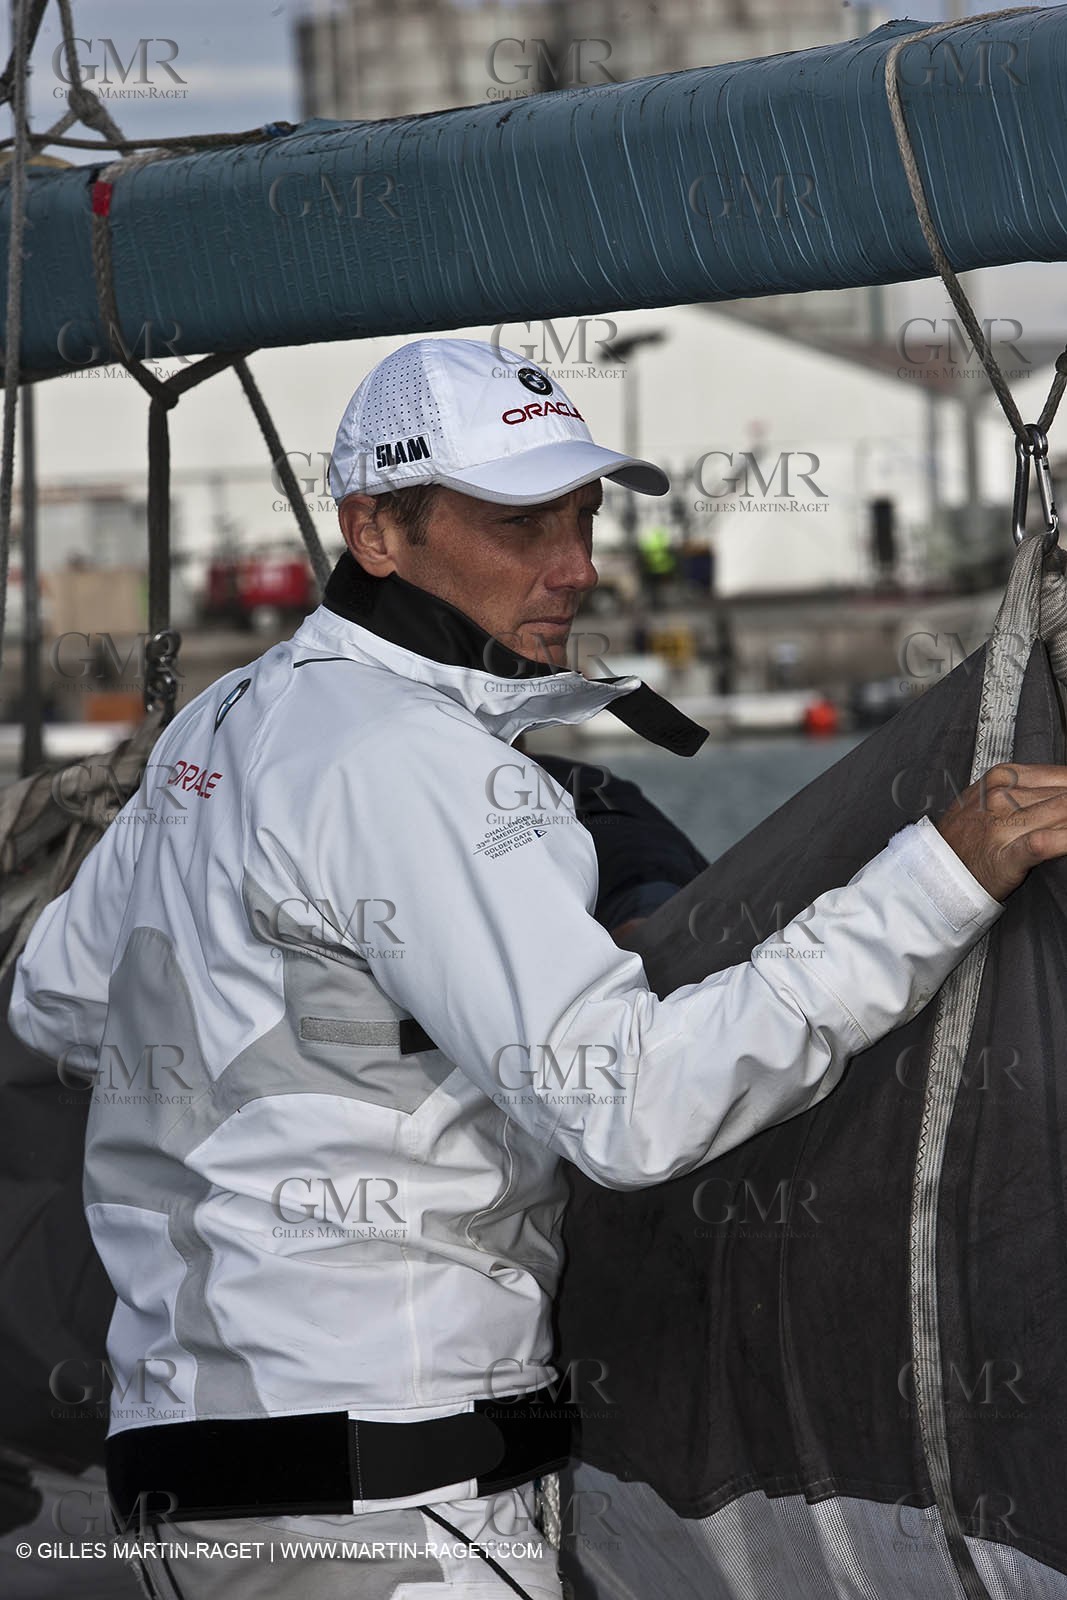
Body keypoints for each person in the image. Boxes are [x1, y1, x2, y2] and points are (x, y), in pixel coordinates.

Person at [9, 337, 1067, 1600]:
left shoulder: (226, 721)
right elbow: (632, 1108)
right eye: (519, 524)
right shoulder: (419, 763)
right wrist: (937, 876)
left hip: (189, 1501)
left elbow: (57, 997)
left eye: (582, 516)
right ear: (372, 530)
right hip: (394, 1509)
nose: (575, 566)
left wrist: (354, 1033)